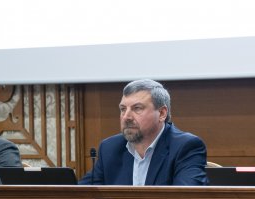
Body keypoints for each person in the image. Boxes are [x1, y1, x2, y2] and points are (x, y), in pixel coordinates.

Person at [79, 79, 208, 185]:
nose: (126, 117)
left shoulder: (185, 147)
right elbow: (81, 197)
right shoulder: (110, 148)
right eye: (123, 109)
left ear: (162, 113)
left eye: (137, 108)